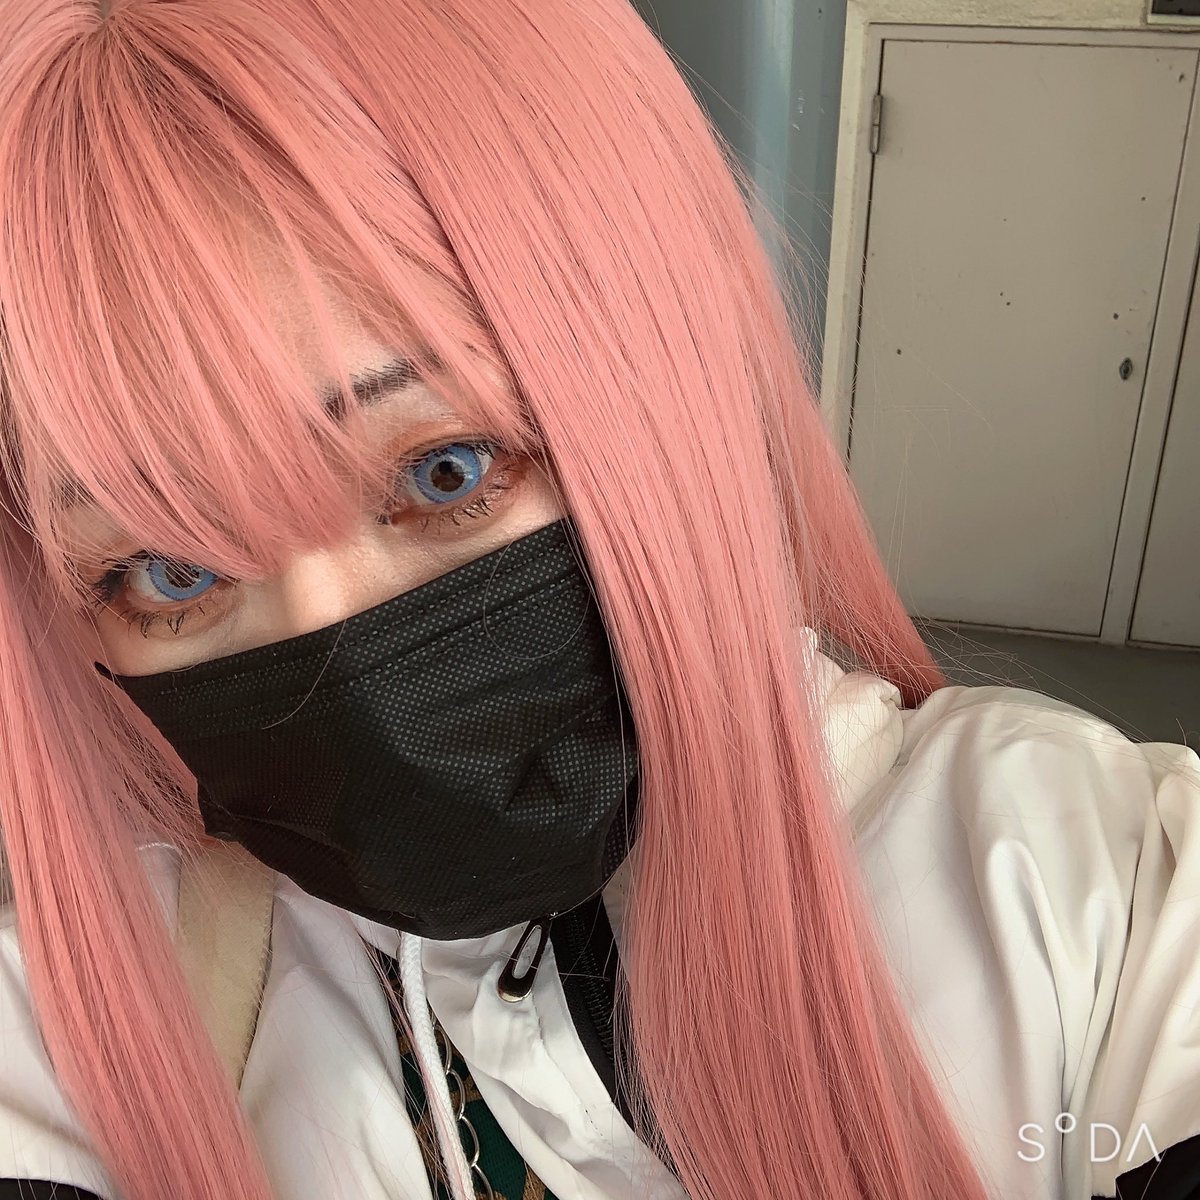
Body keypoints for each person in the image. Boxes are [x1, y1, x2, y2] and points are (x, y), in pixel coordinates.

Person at [0, 2, 1197, 1199]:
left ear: (662, 396)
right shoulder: (82, 1018)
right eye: (172, 569)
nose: (337, 656)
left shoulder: (1094, 894)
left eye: (447, 468)